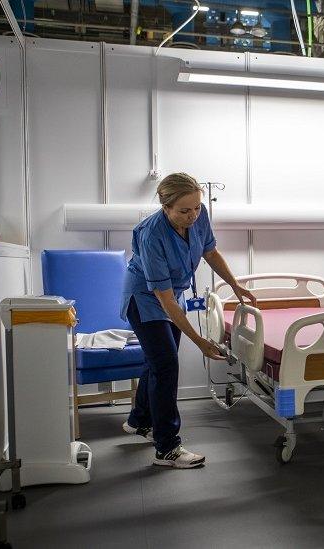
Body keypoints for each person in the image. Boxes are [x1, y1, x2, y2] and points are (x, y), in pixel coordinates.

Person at [119, 172, 255, 469]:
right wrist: (200, 342)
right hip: (145, 298)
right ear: (165, 207)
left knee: (157, 362)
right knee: (166, 365)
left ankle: (138, 421)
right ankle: (167, 448)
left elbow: (210, 251)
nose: (193, 215)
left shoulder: (199, 213)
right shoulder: (151, 233)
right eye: (184, 210)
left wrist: (234, 284)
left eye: (196, 207)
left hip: (172, 293)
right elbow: (164, 299)